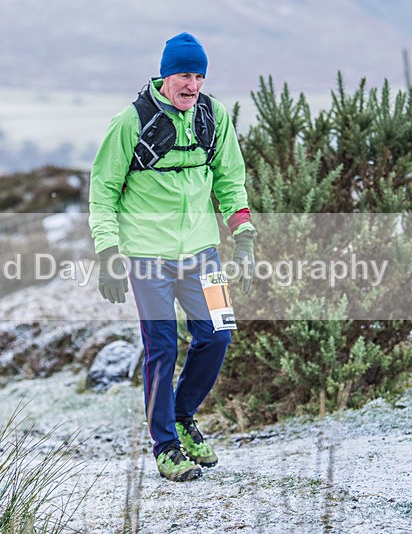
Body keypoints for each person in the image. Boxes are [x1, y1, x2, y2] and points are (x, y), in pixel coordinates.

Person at [88, 32, 255, 482]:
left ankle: (183, 415)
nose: (193, 84)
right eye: (185, 74)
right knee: (161, 347)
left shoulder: (213, 116)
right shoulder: (130, 122)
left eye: (200, 76)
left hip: (204, 253)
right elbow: (103, 194)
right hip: (147, 258)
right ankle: (165, 446)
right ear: (166, 74)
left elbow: (231, 181)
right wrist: (108, 254)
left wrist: (244, 238)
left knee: (219, 333)